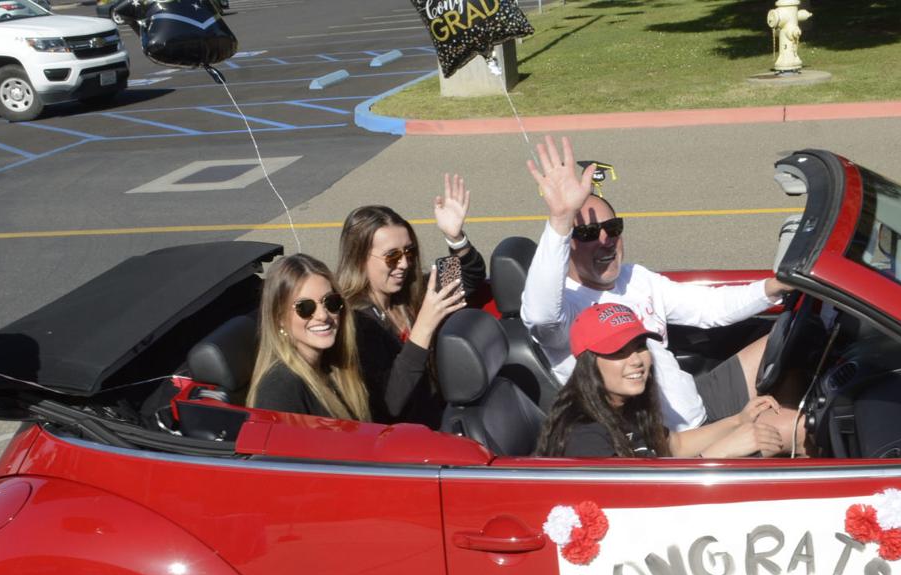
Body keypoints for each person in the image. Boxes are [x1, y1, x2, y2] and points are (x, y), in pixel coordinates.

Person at [522, 136, 803, 447]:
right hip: (668, 441)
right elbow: (540, 314)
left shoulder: (635, 278)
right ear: (567, 246)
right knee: (805, 429)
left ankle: (777, 447)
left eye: (613, 229)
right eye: (588, 233)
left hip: (700, 402)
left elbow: (709, 306)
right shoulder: (566, 310)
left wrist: (774, 287)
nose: (605, 241)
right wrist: (561, 220)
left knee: (795, 336)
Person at [535, 302, 786, 458]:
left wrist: (738, 421)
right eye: (618, 352)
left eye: (639, 346)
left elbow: (674, 445)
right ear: (589, 364)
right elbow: (632, 510)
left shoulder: (624, 403)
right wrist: (718, 454)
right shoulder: (585, 435)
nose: (636, 360)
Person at [336, 174, 488, 424]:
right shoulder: (356, 322)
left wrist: (455, 237)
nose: (405, 264)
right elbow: (391, 402)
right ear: (359, 259)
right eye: (392, 256)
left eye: (409, 251)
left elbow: (470, 277)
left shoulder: (413, 291)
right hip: (409, 441)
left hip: (444, 413)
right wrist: (425, 325)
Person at [246, 254, 371, 421]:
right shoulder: (280, 388)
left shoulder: (334, 368)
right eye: (305, 307)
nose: (322, 315)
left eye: (330, 302)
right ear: (279, 318)